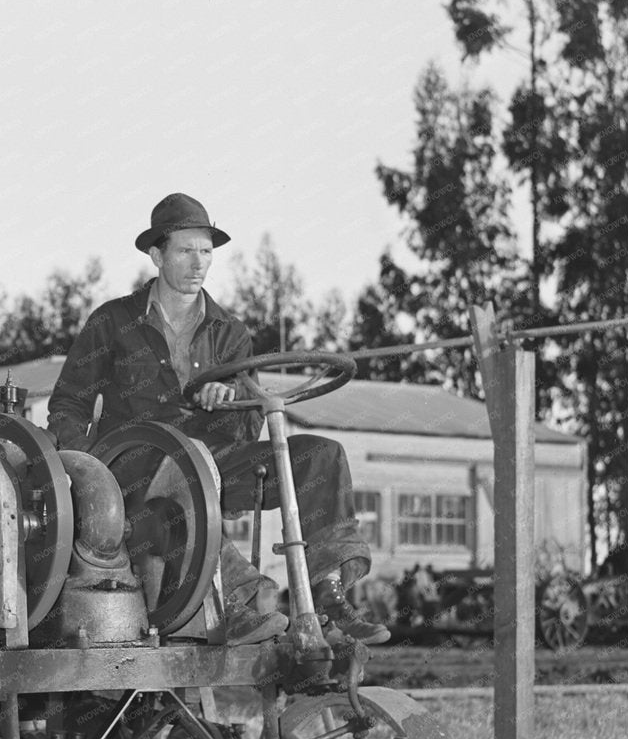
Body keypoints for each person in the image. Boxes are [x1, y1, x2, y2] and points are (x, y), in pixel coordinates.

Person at [46, 192, 389, 645]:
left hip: (208, 463)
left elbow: (249, 426)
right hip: (133, 470)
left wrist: (225, 402)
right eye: (185, 251)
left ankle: (327, 594)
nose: (198, 264)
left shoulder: (230, 332)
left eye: (206, 252)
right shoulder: (113, 322)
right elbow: (68, 406)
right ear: (157, 255)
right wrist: (91, 478)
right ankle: (236, 602)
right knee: (189, 468)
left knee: (321, 456)